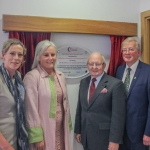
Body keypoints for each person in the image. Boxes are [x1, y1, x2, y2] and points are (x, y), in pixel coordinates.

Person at [23, 40, 72, 150]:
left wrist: (67, 125)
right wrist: (37, 137)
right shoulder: (32, 77)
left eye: (53, 54)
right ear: (38, 57)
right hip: (44, 131)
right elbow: (30, 109)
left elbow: (66, 103)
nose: (50, 58)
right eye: (46, 55)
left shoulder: (61, 75)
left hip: (61, 129)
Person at [74, 52, 126, 150]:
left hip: (104, 139)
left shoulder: (115, 84)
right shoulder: (83, 82)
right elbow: (80, 108)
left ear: (104, 65)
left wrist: (115, 140)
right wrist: (78, 130)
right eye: (91, 64)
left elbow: (118, 116)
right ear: (87, 65)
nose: (94, 67)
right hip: (86, 136)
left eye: (98, 64)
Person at [116, 37, 150, 150]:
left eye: (131, 49)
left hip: (139, 133)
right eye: (124, 50)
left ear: (138, 52)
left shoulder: (148, 71)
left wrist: (148, 132)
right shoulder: (119, 70)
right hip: (121, 132)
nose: (127, 53)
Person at [0, 39, 29, 150]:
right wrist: (5, 146)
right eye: (12, 53)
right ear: (3, 55)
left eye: (20, 55)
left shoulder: (18, 77)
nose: (16, 58)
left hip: (17, 138)